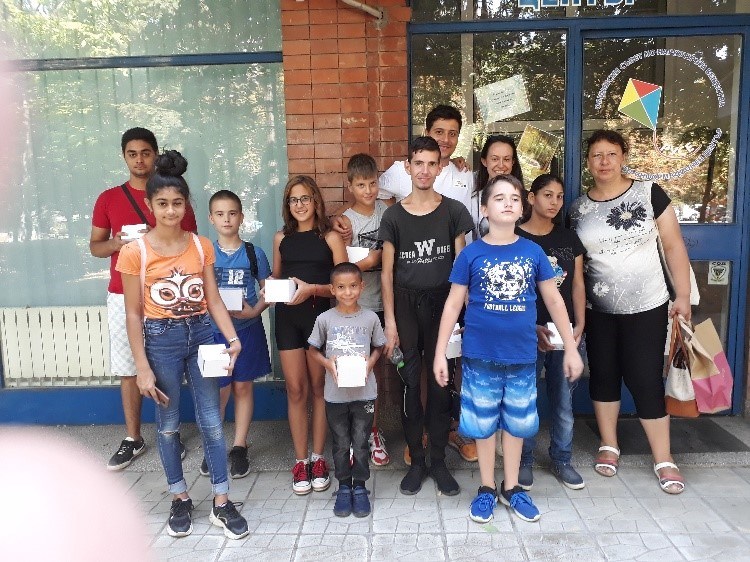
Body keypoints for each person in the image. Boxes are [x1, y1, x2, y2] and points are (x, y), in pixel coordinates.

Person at [434, 174, 583, 524]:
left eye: (514, 198)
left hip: (521, 356)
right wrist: (440, 352)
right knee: (484, 426)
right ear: (484, 208)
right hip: (480, 356)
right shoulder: (471, 254)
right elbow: (453, 304)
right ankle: (487, 487)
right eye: (499, 198)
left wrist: (571, 347)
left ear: (522, 207)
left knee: (517, 425)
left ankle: (512, 487)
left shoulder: (533, 252)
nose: (508, 203)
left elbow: (554, 300)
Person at [117, 150, 248, 539]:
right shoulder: (135, 252)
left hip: (203, 336)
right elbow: (133, 315)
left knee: (212, 421)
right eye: (163, 203)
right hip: (161, 342)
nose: (171, 211)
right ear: (150, 205)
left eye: (177, 203)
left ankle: (222, 501)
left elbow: (213, 299)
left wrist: (233, 338)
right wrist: (142, 368)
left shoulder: (200, 245)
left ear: (186, 204)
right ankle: (180, 497)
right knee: (169, 425)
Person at [568, 129, 691, 495]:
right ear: (588, 162)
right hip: (599, 308)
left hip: (648, 305)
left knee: (645, 378)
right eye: (596, 155)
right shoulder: (577, 209)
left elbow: (673, 245)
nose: (604, 161)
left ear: (623, 157)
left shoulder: (649, 193)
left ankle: (664, 458)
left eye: (611, 154)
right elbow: (575, 264)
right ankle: (609, 444)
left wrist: (683, 295)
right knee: (604, 374)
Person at [90, 127, 196, 470]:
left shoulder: (174, 196)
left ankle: (170, 433)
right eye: (132, 153)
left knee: (167, 367)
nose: (139, 160)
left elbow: (190, 245)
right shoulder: (108, 199)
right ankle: (133, 438)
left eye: (146, 153)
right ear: (124, 156)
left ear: (155, 154)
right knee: (128, 368)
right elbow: (95, 247)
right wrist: (117, 243)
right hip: (123, 294)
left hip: (166, 294)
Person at [379, 136, 474, 496]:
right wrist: (390, 322)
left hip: (443, 307)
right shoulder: (393, 215)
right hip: (405, 307)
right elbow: (387, 273)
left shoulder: (454, 212)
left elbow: (461, 269)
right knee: (410, 383)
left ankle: (438, 460)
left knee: (440, 383)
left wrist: (460, 317)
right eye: (418, 163)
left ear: (439, 167)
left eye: (431, 163)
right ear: (408, 167)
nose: (424, 170)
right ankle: (416, 460)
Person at [272, 175, 348, 495]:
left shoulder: (330, 237)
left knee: (319, 388)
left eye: (305, 198)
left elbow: (345, 286)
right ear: (287, 205)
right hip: (287, 319)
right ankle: (300, 461)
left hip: (320, 320)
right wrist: (268, 287)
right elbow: (276, 279)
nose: (300, 204)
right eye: (294, 199)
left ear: (316, 200)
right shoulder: (281, 238)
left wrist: (313, 289)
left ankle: (318, 459)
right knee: (295, 390)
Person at [516, 174, 587, 490]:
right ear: (531, 198)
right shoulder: (516, 237)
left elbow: (578, 284)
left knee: (563, 401)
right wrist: (526, 326)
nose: (554, 202)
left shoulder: (569, 238)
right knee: (525, 399)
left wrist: (580, 324)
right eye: (547, 195)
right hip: (527, 332)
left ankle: (562, 459)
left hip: (564, 333)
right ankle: (524, 460)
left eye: (559, 196)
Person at [198, 189, 272, 479]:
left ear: (241, 217)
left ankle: (239, 446)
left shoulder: (254, 253)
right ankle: (214, 445)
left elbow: (268, 291)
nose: (226, 219)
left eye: (232, 213)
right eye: (220, 214)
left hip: (247, 330)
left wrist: (254, 312)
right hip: (213, 332)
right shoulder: (205, 253)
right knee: (219, 390)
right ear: (211, 218)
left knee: (242, 387)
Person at [308, 262, 387, 518]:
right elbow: (312, 350)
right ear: (332, 290)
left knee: (361, 442)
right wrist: (327, 364)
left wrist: (371, 362)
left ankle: (360, 487)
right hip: (336, 395)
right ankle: (344, 486)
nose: (348, 292)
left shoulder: (371, 318)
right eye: (341, 287)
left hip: (365, 393)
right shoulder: (325, 319)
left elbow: (379, 346)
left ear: (362, 287)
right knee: (341, 443)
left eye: (353, 286)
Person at [338, 154, 392, 466]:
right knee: (355, 372)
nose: (368, 190)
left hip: (385, 305)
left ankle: (373, 431)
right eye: (361, 185)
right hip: (358, 307)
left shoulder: (388, 212)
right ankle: (352, 435)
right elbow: (341, 267)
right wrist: (373, 258)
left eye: (372, 183)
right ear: (350, 186)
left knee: (378, 373)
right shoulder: (345, 221)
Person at [471, 135, 525, 240]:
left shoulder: (524, 199)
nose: (501, 165)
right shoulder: (471, 198)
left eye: (506, 159)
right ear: (484, 161)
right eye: (495, 159)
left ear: (513, 162)